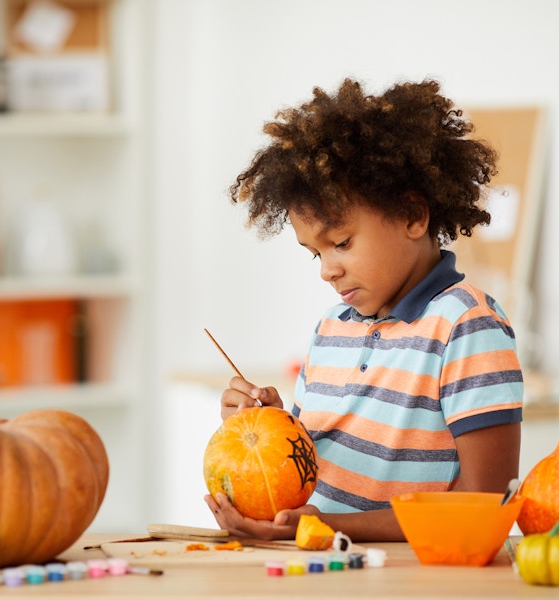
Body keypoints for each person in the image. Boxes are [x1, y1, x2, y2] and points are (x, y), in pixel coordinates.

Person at [205, 79, 522, 542]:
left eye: (341, 243)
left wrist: (324, 525)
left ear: (413, 215)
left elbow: (484, 505)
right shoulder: (331, 329)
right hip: (323, 566)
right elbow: (311, 471)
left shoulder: (466, 326)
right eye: (316, 253)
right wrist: (269, 430)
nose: (327, 271)